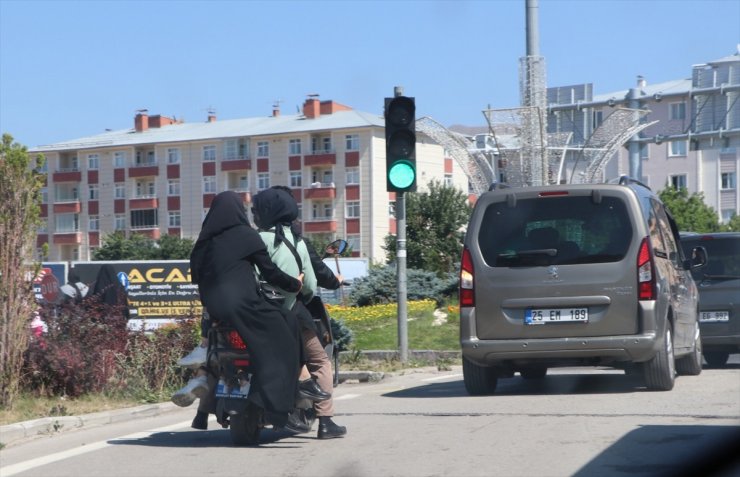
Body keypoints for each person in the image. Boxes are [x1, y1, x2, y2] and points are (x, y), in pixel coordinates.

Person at [174, 190, 323, 429]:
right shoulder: (246, 236)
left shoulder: (204, 240)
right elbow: (270, 272)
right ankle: (299, 384)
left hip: (213, 310)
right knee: (288, 324)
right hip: (244, 305)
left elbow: (196, 276)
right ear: (238, 212)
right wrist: (295, 283)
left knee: (218, 345)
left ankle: (201, 372)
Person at [252, 186, 347, 439]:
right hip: (292, 312)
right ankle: (326, 421)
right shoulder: (298, 242)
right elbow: (310, 285)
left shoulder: (255, 238)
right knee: (319, 362)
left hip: (254, 314)